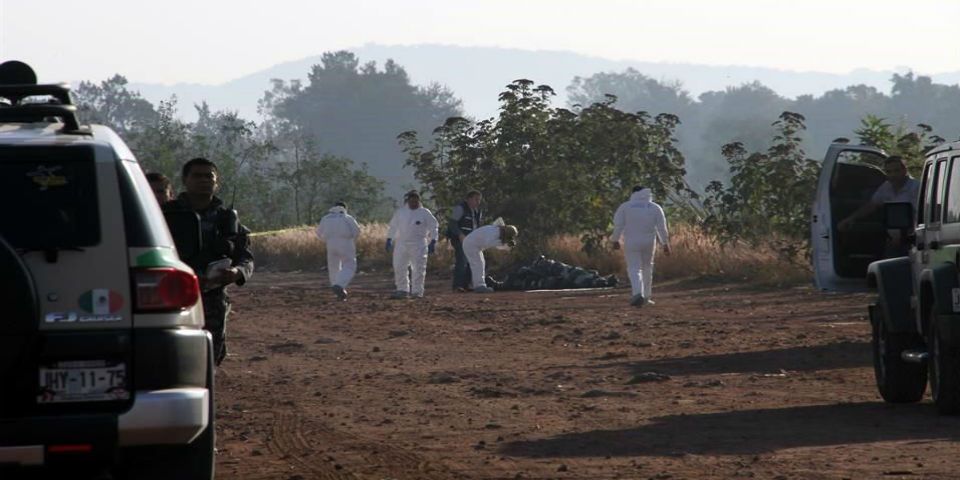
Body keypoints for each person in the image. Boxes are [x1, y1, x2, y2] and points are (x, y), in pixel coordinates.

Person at [163, 157, 254, 365]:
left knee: (210, 358)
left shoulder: (227, 218)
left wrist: (236, 273)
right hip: (173, 296)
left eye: (208, 176)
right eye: (197, 175)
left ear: (216, 182)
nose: (203, 180)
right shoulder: (167, 214)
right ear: (185, 180)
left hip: (213, 299)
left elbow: (246, 257)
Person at [610, 185, 670, 307]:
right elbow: (662, 228)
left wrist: (615, 240)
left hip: (631, 241)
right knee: (647, 268)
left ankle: (638, 294)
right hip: (649, 242)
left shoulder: (625, 207)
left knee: (634, 268)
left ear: (633, 193)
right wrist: (665, 244)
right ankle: (647, 297)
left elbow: (618, 225)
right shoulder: (655, 207)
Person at [838, 155, 921, 229]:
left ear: (905, 170)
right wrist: (850, 218)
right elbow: (872, 205)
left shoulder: (916, 187)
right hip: (892, 230)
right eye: (889, 172)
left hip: (913, 232)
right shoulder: (886, 186)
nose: (893, 175)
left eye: (896, 171)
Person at [386, 190, 439, 299]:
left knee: (418, 268)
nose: (413, 203)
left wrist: (433, 240)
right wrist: (389, 239)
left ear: (419, 201)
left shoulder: (425, 213)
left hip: (418, 243)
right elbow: (393, 226)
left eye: (415, 201)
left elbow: (434, 226)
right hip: (401, 243)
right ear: (408, 201)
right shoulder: (400, 212)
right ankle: (402, 289)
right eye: (411, 201)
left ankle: (417, 291)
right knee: (399, 266)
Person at [315, 201, 361, 301]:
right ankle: (339, 285)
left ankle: (337, 289)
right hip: (345, 242)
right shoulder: (347, 218)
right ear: (344, 208)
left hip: (330, 244)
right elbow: (357, 231)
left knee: (333, 267)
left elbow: (318, 233)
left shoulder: (326, 218)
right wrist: (351, 240)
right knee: (349, 265)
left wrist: (327, 239)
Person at [461, 223, 518, 294]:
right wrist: (504, 243)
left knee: (480, 264)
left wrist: (505, 244)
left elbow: (496, 244)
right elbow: (488, 243)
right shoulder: (494, 232)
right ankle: (479, 286)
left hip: (473, 245)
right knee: (477, 264)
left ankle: (476, 285)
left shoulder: (497, 231)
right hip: (470, 244)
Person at [447, 190, 483, 291]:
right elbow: (452, 223)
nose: (478, 202)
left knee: (471, 262)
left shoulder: (477, 211)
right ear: (469, 199)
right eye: (476, 199)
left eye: (479, 200)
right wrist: (460, 234)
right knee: (462, 261)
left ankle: (467, 285)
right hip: (460, 240)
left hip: (471, 240)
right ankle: (458, 285)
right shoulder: (460, 208)